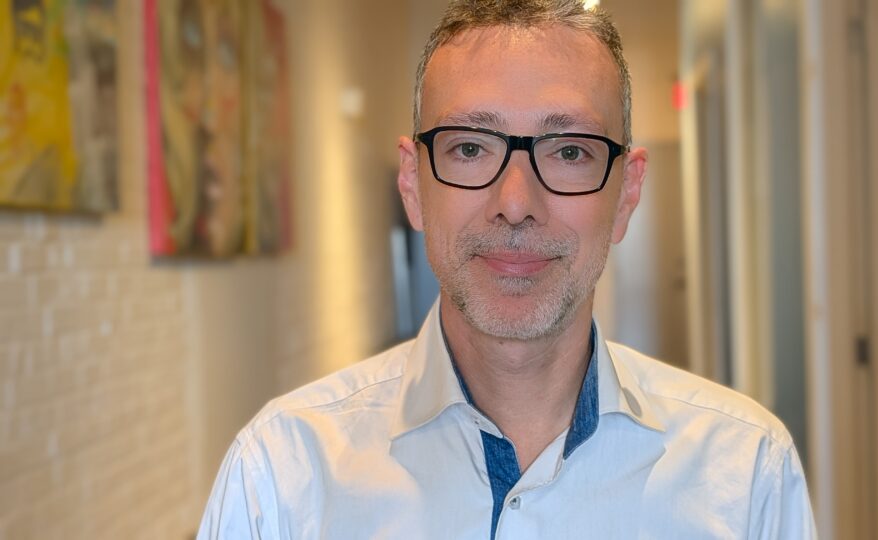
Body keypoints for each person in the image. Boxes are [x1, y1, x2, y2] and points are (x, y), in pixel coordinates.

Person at [198, 1, 817, 538]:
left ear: (627, 194)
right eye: (470, 147)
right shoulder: (282, 478)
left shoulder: (745, 474)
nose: (516, 203)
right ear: (413, 185)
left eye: (569, 151)